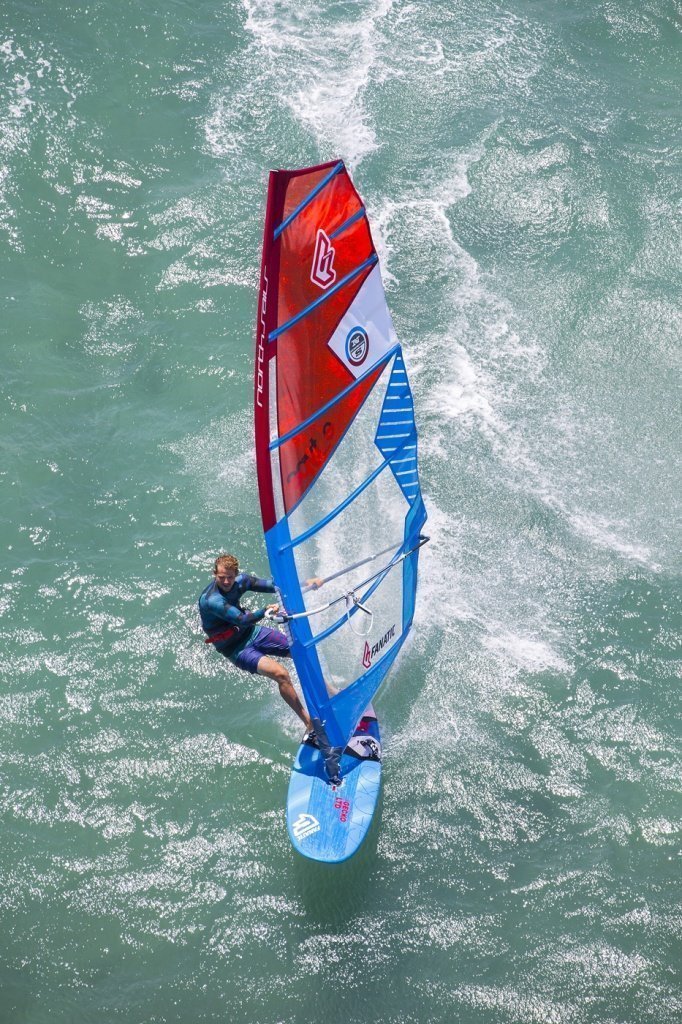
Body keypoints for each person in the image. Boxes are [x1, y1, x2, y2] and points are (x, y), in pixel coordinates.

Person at [199, 553, 322, 733]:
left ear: (236, 574)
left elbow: (274, 586)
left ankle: (329, 692)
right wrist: (265, 610)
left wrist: (306, 583)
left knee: (300, 652)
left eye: (230, 577)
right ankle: (309, 724)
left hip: (253, 632)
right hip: (237, 649)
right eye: (221, 577)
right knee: (281, 674)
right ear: (214, 574)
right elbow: (242, 620)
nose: (226, 581)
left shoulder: (242, 581)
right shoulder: (212, 600)